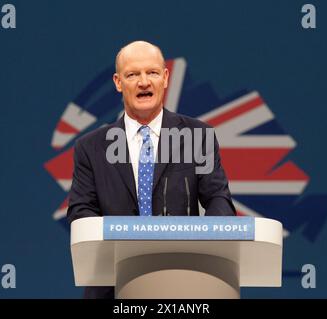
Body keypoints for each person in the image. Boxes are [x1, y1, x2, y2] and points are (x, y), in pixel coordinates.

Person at [67, 40, 235, 298]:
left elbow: (218, 200)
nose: (144, 82)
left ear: (165, 77)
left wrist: (206, 245)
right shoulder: (91, 148)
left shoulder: (197, 136)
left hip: (184, 284)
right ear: (118, 82)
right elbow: (81, 213)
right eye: (132, 74)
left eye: (152, 73)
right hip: (112, 288)